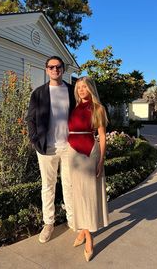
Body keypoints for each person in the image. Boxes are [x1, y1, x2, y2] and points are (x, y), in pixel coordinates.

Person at [26, 56, 76, 243]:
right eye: (51, 67)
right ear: (46, 70)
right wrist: (34, 140)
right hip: (46, 148)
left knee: (70, 185)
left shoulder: (72, 91)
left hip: (69, 147)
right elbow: (30, 119)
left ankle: (72, 220)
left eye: (58, 67)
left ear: (63, 69)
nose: (55, 70)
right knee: (48, 186)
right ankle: (48, 223)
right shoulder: (38, 93)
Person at [68, 76, 109, 262]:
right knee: (78, 194)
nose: (81, 90)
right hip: (73, 153)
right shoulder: (74, 108)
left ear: (90, 88)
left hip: (89, 152)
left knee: (88, 195)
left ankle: (88, 238)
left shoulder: (98, 108)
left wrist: (101, 161)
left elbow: (102, 136)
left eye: (84, 87)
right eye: (78, 87)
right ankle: (84, 232)